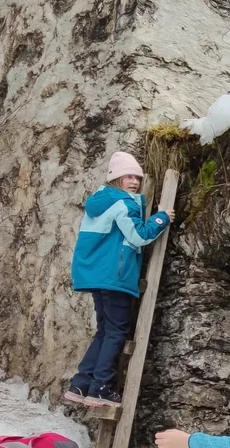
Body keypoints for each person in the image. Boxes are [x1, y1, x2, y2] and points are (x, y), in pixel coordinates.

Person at [67, 151, 171, 406]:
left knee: (105, 330)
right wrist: (161, 217)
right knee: (116, 332)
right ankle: (100, 388)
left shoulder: (99, 201)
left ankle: (80, 384)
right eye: (128, 177)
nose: (134, 182)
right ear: (117, 178)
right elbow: (139, 237)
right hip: (115, 275)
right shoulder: (124, 203)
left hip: (95, 274)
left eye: (137, 177)